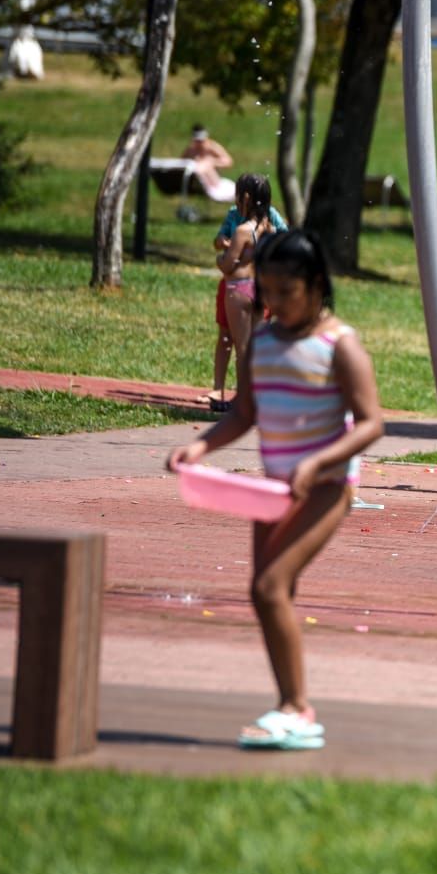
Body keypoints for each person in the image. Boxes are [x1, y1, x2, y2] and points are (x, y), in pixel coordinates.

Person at [166, 230, 384, 750]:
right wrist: (199, 448)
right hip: (274, 492)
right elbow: (245, 414)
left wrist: (319, 460)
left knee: (269, 587)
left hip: (328, 488)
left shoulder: (340, 346)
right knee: (268, 594)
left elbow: (371, 424)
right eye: (268, 291)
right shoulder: (261, 341)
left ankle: (296, 710)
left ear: (315, 286)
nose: (276, 302)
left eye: (288, 292)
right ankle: (290, 704)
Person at [206, 199, 289, 410]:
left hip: (241, 289)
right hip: (254, 288)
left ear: (248, 196)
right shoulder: (235, 215)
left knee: (245, 347)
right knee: (242, 342)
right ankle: (252, 396)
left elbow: (227, 264)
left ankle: (246, 399)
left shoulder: (257, 223)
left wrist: (223, 257)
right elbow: (219, 239)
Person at [181, 124, 236, 203]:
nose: (200, 144)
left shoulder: (212, 147)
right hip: (198, 182)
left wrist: (213, 162)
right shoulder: (191, 150)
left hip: (214, 180)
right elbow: (181, 164)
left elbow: (228, 161)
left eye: (201, 141)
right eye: (197, 141)